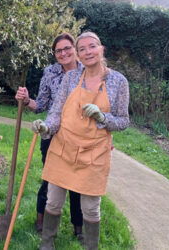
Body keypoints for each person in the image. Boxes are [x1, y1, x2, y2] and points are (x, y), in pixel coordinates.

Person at [32, 31, 129, 250]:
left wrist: (102, 117)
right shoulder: (71, 78)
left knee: (91, 207)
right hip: (63, 147)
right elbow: (56, 112)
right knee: (53, 201)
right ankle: (46, 245)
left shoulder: (118, 82)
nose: (87, 52)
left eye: (91, 46)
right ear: (79, 54)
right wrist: (47, 127)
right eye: (82, 48)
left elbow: (123, 121)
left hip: (94, 153)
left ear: (101, 49)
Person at [15, 32, 84, 238]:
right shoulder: (50, 72)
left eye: (67, 48)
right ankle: (41, 220)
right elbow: (41, 105)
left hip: (80, 137)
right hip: (52, 134)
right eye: (58, 51)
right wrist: (27, 100)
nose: (63, 53)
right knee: (50, 179)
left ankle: (79, 228)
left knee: (76, 183)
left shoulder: (87, 72)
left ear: (75, 49)